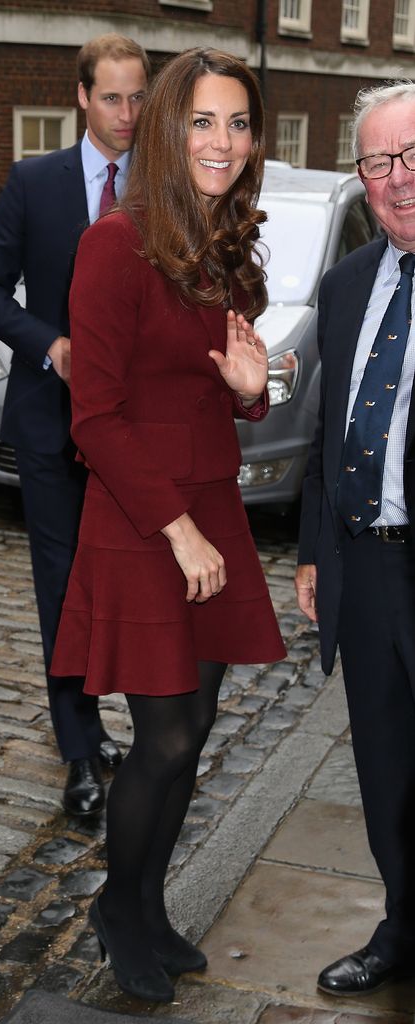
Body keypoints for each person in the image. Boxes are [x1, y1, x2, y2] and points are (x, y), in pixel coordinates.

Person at [50, 47, 285, 1003]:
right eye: (202, 121)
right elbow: (95, 415)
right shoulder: (116, 242)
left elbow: (207, 391)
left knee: (197, 721)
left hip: (211, 506)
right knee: (165, 737)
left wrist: (252, 395)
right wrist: (177, 530)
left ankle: (146, 905)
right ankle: (117, 907)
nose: (221, 142)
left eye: (236, 123)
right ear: (164, 128)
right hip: (146, 517)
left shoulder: (222, 244)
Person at [0, 34, 150, 817]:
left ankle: (130, 727)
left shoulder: (162, 185)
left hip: (137, 434)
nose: (127, 115)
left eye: (139, 98)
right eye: (111, 98)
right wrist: (51, 346)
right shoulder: (35, 182)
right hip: (49, 427)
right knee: (63, 588)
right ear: (81, 96)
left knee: (130, 587)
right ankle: (77, 748)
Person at [295, 81, 415, 997]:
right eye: (377, 162)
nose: (398, 179)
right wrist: (311, 549)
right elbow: (325, 432)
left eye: (412, 155)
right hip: (365, 569)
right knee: (383, 770)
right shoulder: (342, 286)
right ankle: (400, 927)